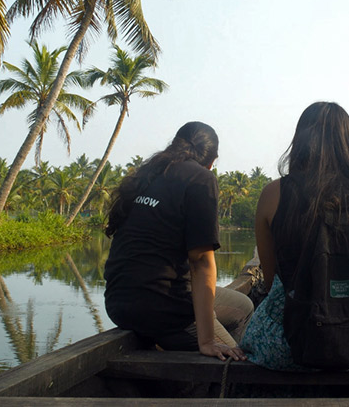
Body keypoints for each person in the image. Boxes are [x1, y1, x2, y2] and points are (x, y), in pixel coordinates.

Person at [240, 102, 349, 370]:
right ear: (347, 141)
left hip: (287, 344)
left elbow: (270, 278)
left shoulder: (273, 194)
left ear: (300, 139)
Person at [104, 121, 253, 361]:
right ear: (212, 160)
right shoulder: (201, 178)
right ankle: (210, 386)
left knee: (243, 306)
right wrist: (207, 341)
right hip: (164, 311)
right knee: (238, 363)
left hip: (117, 305)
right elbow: (202, 263)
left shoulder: (147, 173)